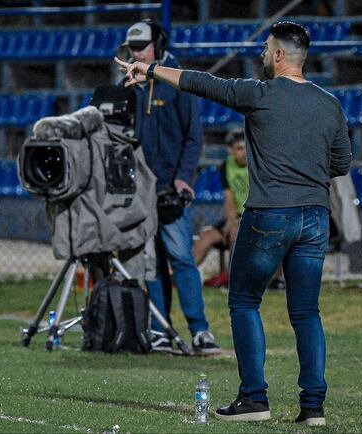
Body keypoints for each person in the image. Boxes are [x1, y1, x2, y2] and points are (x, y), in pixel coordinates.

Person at [115, 20, 351, 426]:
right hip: (314, 218)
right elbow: (342, 164)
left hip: (269, 215)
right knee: (306, 312)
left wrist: (150, 70)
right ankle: (313, 407)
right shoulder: (329, 103)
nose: (261, 54)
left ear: (278, 55)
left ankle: (254, 398)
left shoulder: (259, 94)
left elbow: (203, 84)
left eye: (265, 48)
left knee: (244, 302)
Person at [117, 19, 220, 355]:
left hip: (170, 188)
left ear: (158, 45)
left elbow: (194, 136)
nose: (136, 53)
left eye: (141, 47)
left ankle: (200, 330)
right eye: (132, 48)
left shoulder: (177, 81)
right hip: (140, 189)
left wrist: (183, 177)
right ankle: (160, 328)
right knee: (150, 263)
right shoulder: (132, 83)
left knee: (180, 258)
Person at [193, 127, 248, 288]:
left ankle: (234, 282)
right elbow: (229, 199)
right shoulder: (227, 166)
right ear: (230, 150)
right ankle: (181, 277)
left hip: (256, 218)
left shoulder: (257, 166)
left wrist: (236, 225)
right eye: (239, 148)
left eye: (246, 148)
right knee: (206, 237)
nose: (244, 152)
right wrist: (231, 221)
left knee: (235, 234)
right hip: (236, 217)